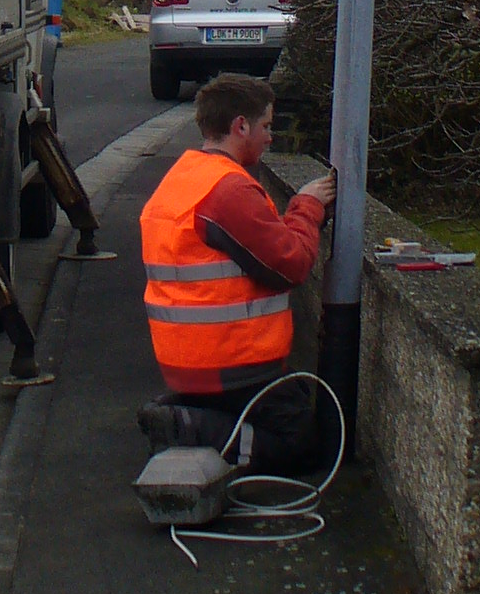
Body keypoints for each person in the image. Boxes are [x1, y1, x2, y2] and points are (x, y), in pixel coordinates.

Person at [136, 72, 336, 470]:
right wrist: (307, 207)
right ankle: (188, 427)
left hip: (187, 361)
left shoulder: (182, 178)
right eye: (266, 126)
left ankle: (182, 411)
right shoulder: (228, 191)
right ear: (239, 126)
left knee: (291, 398)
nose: (270, 137)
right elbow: (292, 264)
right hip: (230, 365)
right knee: (303, 445)